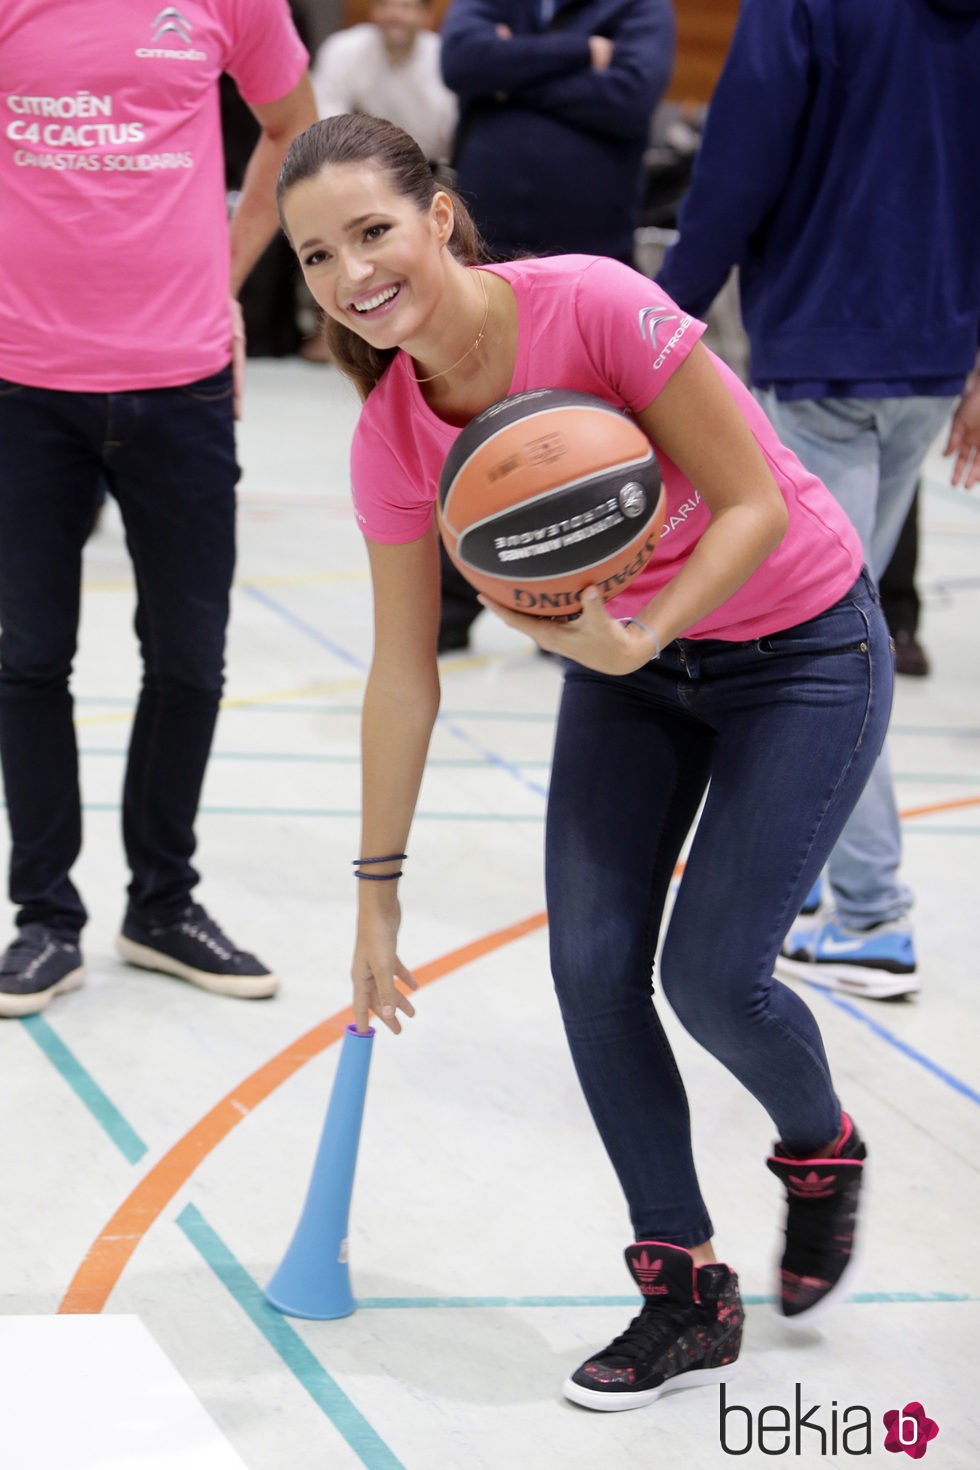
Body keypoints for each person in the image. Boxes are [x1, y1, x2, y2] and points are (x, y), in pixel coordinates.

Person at [276, 113, 892, 1412]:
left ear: (439, 217)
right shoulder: (394, 434)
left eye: (372, 232)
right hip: (632, 673)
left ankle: (820, 1146)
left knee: (715, 979)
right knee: (594, 970)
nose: (351, 274)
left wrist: (643, 631)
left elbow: (754, 502)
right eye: (318, 255)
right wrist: (376, 889)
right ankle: (686, 1288)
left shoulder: (596, 305)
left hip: (801, 647)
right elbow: (404, 673)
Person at [655, 0, 980, 1001]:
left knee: (821, 638)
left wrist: (654, 321)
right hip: (932, 360)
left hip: (824, 356)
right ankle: (802, 880)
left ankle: (872, 911)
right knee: (839, 619)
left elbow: (735, 167)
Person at [0, 0, 317, 1019]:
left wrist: (219, 272)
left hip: (180, 386)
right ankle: (45, 917)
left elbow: (294, 131)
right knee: (27, 655)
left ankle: (163, 905)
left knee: (189, 659)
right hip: (22, 386)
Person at [434, 0, 676, 653]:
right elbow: (461, 62)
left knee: (585, 437)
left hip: (592, 264)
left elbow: (631, 98)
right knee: (466, 424)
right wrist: (581, 54)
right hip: (483, 254)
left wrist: (510, 77)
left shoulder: (639, 7)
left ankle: (574, 607)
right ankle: (452, 605)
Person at [312, 0, 457, 165]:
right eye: (385, 4)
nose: (394, 15)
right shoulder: (342, 49)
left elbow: (451, 133)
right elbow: (326, 119)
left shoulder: (444, 59)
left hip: (428, 168)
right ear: (373, 11)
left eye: (406, 7)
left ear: (426, 16)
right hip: (358, 163)